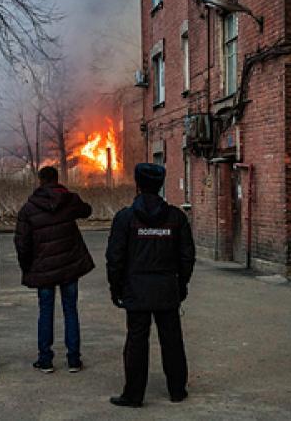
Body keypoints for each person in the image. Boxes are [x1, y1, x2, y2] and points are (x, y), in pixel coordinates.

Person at [105, 163, 195, 407]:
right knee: (172, 340)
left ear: (138, 184)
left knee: (136, 341)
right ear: (161, 184)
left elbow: (115, 257)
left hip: (136, 289)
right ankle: (177, 390)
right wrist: (181, 284)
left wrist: (116, 288)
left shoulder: (125, 218)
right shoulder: (176, 217)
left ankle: (134, 395)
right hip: (167, 288)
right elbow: (187, 256)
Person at [14, 166, 95, 373]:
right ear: (57, 179)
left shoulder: (28, 209)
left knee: (45, 311)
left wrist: (27, 267)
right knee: (70, 310)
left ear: (39, 181)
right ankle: (74, 360)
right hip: (69, 266)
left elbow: (21, 242)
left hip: (44, 268)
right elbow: (87, 211)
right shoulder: (68, 200)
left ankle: (45, 360)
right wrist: (72, 198)